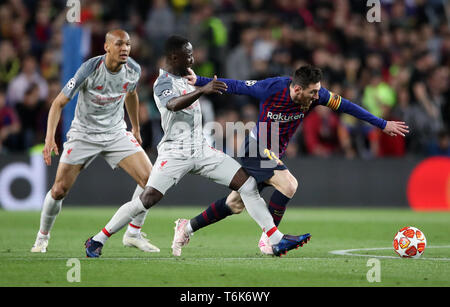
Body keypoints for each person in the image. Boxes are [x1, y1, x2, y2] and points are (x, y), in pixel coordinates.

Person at [84, 35, 311, 258]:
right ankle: (98, 239)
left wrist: (203, 84)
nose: (193, 59)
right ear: (175, 56)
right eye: (189, 54)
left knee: (248, 185)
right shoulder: (162, 82)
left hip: (202, 150)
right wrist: (202, 90)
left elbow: (219, 85)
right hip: (175, 152)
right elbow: (172, 105)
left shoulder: (185, 78)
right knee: (147, 199)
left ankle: (275, 239)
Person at [178, 64, 409, 255]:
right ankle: (270, 240)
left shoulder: (317, 97)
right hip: (254, 147)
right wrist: (199, 80)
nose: (318, 96)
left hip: (273, 152)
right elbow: (237, 86)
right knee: (289, 184)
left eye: (318, 91)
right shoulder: (271, 88)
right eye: (313, 92)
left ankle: (186, 228)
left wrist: (382, 124)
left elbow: (348, 107)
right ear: (297, 89)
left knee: (235, 204)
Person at [31, 29, 159, 254]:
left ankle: (133, 233)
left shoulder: (133, 69)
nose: (125, 49)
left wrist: (136, 127)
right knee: (59, 189)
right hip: (84, 134)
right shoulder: (89, 69)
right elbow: (58, 103)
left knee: (152, 182)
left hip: (115, 133)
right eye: (119, 44)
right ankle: (42, 237)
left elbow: (131, 94)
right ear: (107, 47)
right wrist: (49, 138)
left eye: (128, 44)